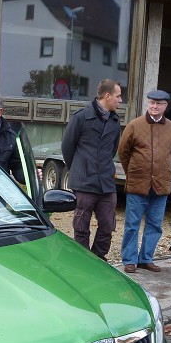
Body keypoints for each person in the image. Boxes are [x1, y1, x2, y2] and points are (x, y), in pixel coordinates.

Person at [118, 89, 171, 273]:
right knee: (132, 224)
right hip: (138, 184)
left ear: (165, 106)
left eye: (159, 104)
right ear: (148, 104)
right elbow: (123, 152)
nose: (154, 106)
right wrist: (135, 171)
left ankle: (146, 258)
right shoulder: (134, 125)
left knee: (154, 224)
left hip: (160, 185)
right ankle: (129, 260)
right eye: (152, 102)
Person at [61, 79, 122, 260]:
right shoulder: (81, 117)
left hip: (106, 183)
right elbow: (67, 147)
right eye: (118, 96)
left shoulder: (114, 121)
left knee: (108, 225)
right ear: (107, 95)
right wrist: (80, 169)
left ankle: (97, 259)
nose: (120, 100)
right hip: (84, 183)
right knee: (81, 227)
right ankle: (82, 261)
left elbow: (112, 150)